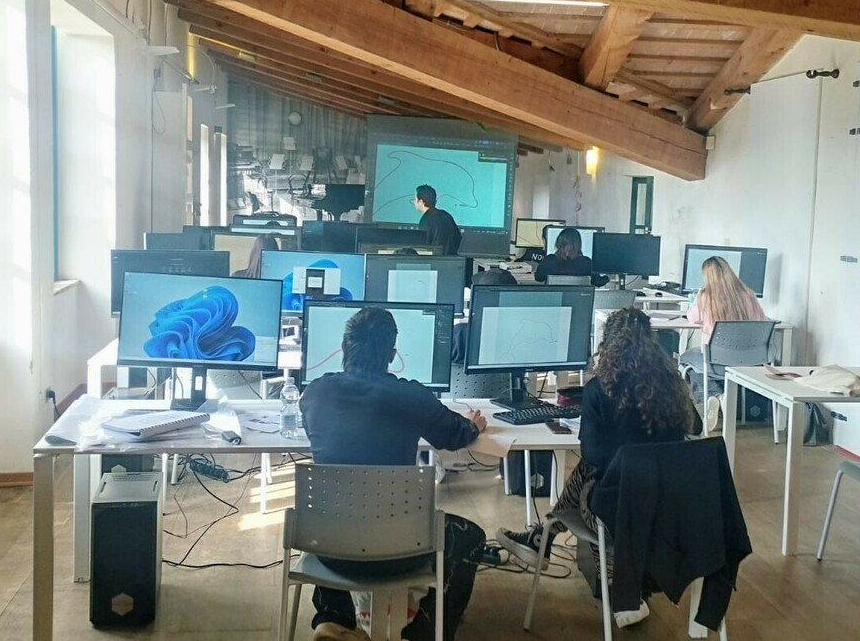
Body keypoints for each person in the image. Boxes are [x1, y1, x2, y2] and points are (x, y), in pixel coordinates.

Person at [496, 307, 700, 625]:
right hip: (671, 514)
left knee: (593, 480)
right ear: (652, 343)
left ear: (607, 345)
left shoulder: (600, 389)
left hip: (617, 516)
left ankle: (613, 584)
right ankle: (546, 540)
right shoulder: (673, 388)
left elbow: (591, 453)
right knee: (598, 478)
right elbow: (695, 427)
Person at [301, 308, 489, 641]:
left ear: (344, 348)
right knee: (471, 536)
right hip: (400, 550)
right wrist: (473, 425)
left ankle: (333, 620)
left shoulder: (316, 393)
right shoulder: (412, 397)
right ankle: (423, 633)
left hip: (330, 547)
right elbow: (454, 435)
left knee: (331, 509)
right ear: (391, 354)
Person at [681, 256, 769, 431]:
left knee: (686, 359)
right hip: (749, 363)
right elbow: (763, 321)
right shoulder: (749, 294)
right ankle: (718, 398)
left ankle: (714, 396)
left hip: (716, 363)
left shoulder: (706, 296)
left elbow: (692, 317)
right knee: (698, 363)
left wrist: (699, 295)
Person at [533, 227, 607, 287]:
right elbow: (599, 282)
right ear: (578, 244)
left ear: (558, 243)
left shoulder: (549, 261)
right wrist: (608, 277)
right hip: (579, 300)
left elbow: (538, 278)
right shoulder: (587, 263)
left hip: (554, 300)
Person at [414, 185, 462, 255]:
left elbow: (425, 246)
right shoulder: (445, 215)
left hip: (434, 259)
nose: (414, 202)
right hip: (451, 258)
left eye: (415, 199)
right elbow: (458, 237)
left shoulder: (425, 220)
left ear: (421, 201)